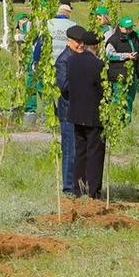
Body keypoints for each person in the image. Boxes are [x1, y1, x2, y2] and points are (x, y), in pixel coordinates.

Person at [64, 25, 105, 198]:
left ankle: (78, 188)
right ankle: (93, 191)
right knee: (95, 153)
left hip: (76, 113)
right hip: (93, 115)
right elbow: (103, 90)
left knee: (80, 152)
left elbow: (67, 87)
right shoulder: (98, 65)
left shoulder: (71, 61)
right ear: (96, 46)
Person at [55, 25, 89, 195]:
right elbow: (64, 86)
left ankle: (81, 186)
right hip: (69, 112)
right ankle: (69, 188)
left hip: (84, 111)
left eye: (83, 42)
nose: (81, 45)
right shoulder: (63, 60)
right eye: (77, 42)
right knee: (70, 150)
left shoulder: (84, 57)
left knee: (83, 150)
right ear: (69, 42)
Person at [105, 17, 139, 118]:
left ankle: (127, 120)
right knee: (118, 98)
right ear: (120, 27)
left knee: (130, 98)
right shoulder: (113, 40)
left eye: (131, 28)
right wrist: (127, 56)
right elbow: (109, 55)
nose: (129, 30)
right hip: (119, 74)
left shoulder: (134, 37)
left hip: (132, 74)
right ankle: (115, 120)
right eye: (127, 28)